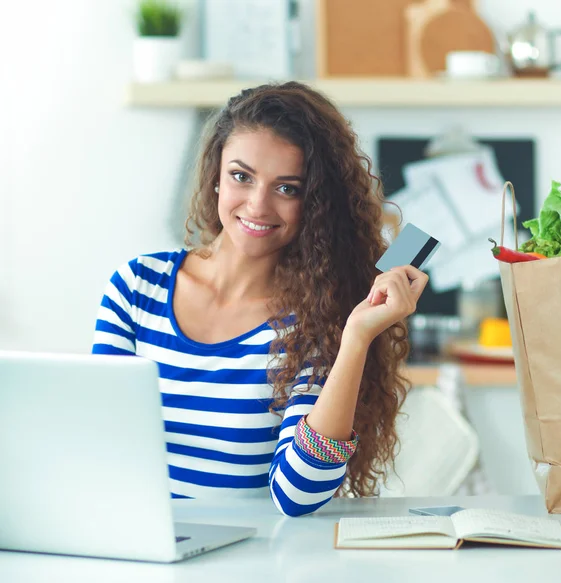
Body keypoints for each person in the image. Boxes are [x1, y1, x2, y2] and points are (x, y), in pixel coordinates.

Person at [92, 81, 428, 516]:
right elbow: (97, 443)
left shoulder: (314, 322)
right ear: (216, 177)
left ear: (315, 203)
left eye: (286, 188)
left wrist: (356, 339)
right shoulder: (137, 287)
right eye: (241, 176)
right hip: (133, 545)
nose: (257, 205)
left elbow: (298, 494)